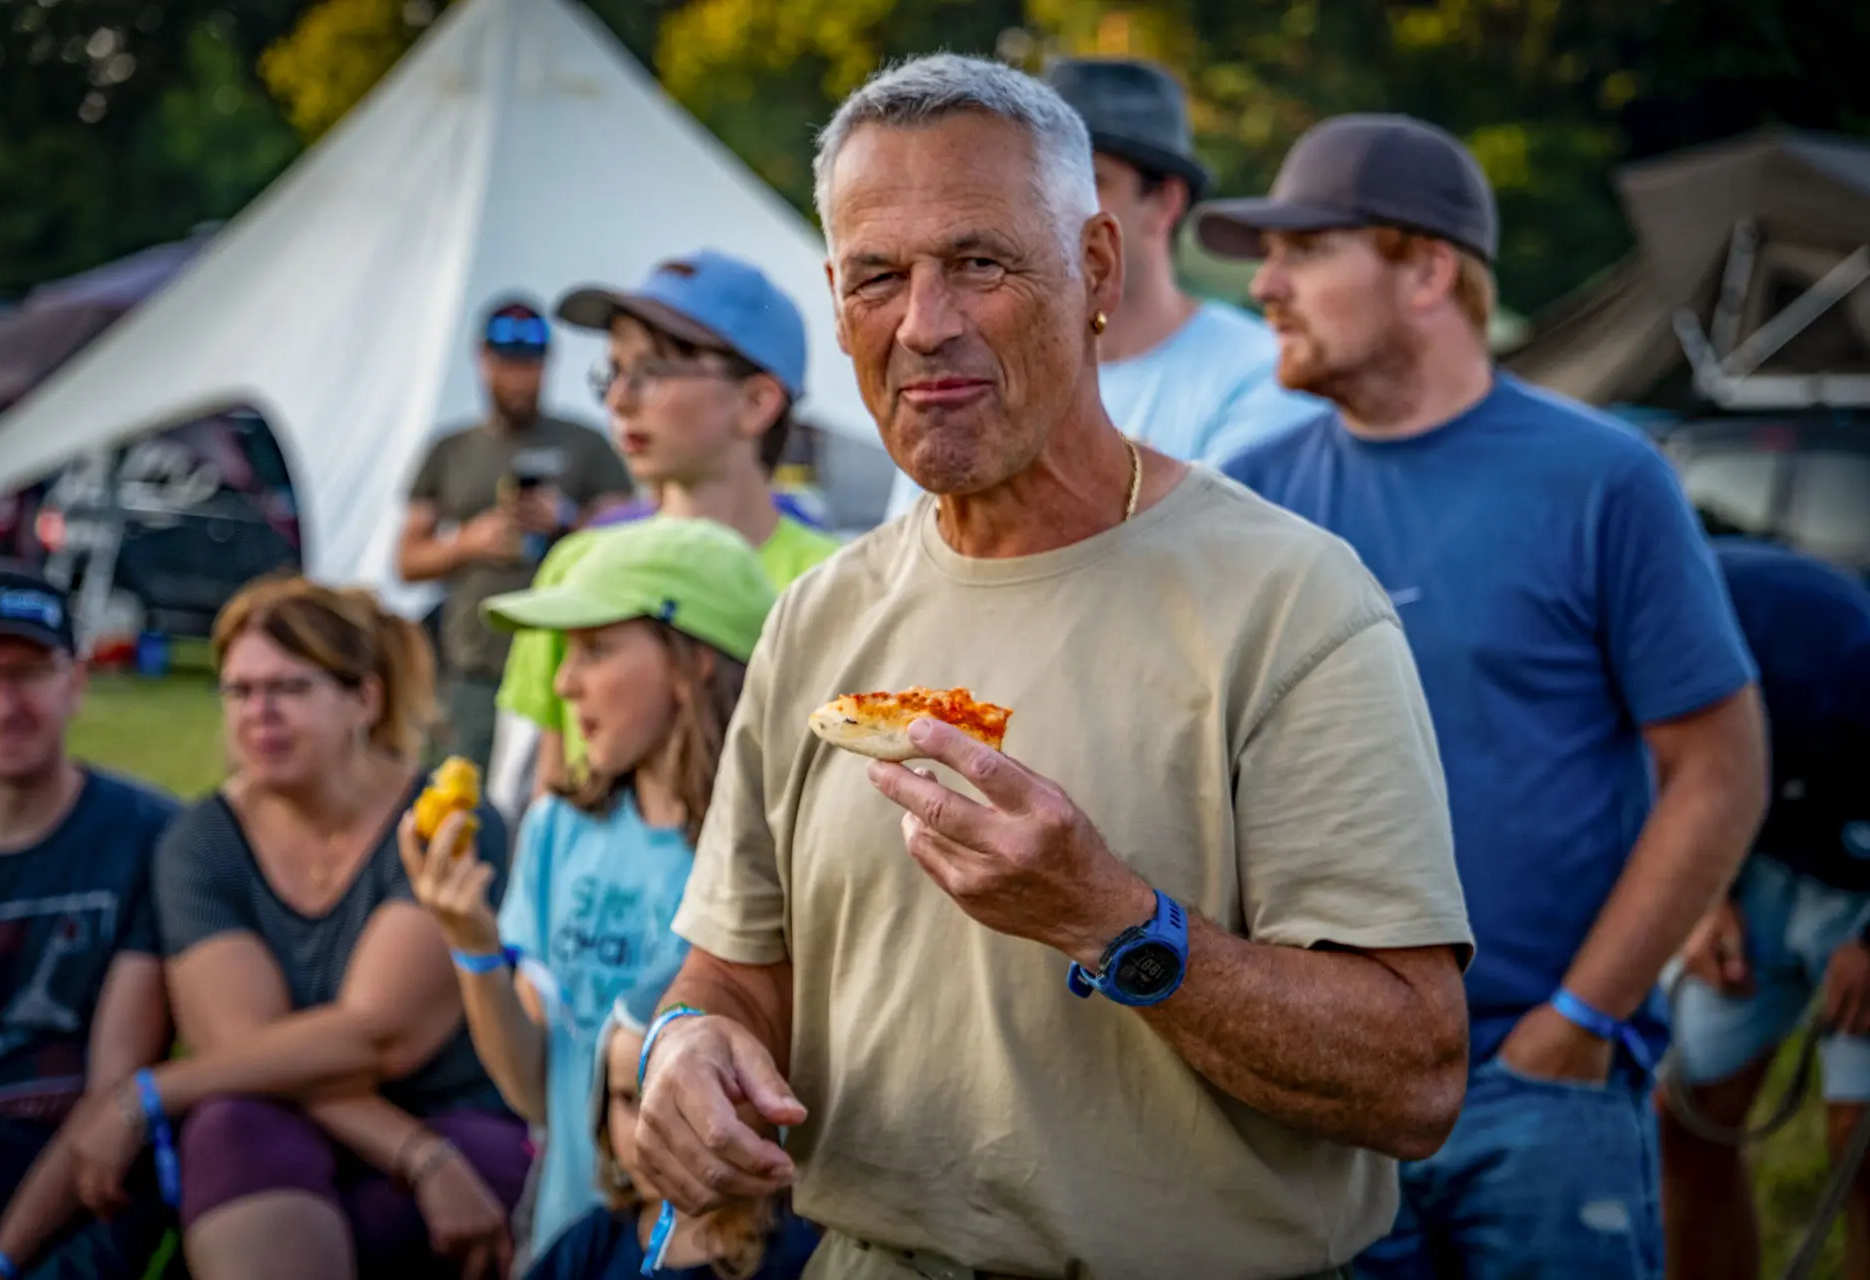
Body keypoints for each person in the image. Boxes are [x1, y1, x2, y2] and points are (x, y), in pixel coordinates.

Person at [633, 54, 1475, 1280]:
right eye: (879, 276)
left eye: (978, 261)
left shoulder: (1288, 600)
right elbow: (735, 965)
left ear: (1093, 270)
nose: (925, 323)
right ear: (836, 299)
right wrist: (684, 1045)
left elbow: (1415, 1075)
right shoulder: (818, 615)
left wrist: (1116, 921)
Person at [1203, 113, 1769, 1278]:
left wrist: (1585, 1019)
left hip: (1539, 1085)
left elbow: (1721, 765)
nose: (1264, 284)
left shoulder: (1602, 476)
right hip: (1321, 1092)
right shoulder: (1249, 500)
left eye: (1306, 249)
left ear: (1427, 269)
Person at [57, 575, 531, 1280]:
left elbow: (380, 1038)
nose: (260, 714)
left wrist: (148, 1093)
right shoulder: (203, 840)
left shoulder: (444, 820)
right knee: (232, 1126)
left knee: (452, 1177)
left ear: (363, 700)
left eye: (289, 688)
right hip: (285, 1121)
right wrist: (415, 1157)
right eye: (240, 691)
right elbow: (244, 1050)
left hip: (448, 1114)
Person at [401, 517, 777, 1259]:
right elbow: (540, 1091)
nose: (564, 683)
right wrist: (472, 945)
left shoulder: (777, 849)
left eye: (596, 649)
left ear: (693, 662)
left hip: (735, 1252)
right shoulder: (556, 829)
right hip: (574, 1237)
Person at [880, 55, 1321, 520]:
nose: (1044, 208)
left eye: (1084, 180)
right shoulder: (968, 379)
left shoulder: (1257, 376)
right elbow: (908, 567)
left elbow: (1218, 564)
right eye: (1031, 182)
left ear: (1164, 202)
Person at [489, 254, 841, 815]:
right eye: (613, 372)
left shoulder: (836, 582)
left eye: (651, 372)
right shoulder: (577, 564)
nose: (618, 400)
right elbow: (541, 791)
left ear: (755, 402)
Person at [0, 561, 178, 1280]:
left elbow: (116, 1086)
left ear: (75, 682)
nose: (4, 702)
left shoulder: (149, 834)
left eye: (28, 672)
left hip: (81, 1170)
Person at [1660, 535, 1870, 1280]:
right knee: (1684, 1110)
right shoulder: (1606, 633)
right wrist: (1702, 900)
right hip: (1758, 857)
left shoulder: (1839, 651)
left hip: (1857, 868)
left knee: (1860, 1140)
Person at [396, 298, 636, 775]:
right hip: (474, 668)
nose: (518, 378)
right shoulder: (451, 449)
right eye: (507, 363)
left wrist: (565, 521)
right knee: (463, 802)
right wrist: (469, 543)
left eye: (530, 364)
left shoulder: (585, 444)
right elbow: (406, 560)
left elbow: (630, 536)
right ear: (483, 360)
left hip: (565, 664)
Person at [520, 951, 819, 1280]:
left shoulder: (798, 1256)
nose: (649, 1126)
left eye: (685, 1100)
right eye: (628, 1099)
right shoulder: (593, 1244)